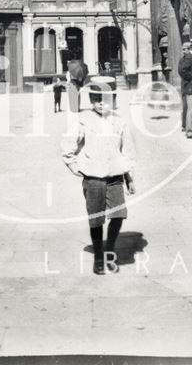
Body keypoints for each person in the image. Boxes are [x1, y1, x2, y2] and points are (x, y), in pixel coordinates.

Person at [61, 84, 136, 275]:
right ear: (91, 100)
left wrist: (129, 177)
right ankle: (98, 258)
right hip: (93, 178)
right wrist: (74, 166)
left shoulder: (120, 122)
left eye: (106, 99)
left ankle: (109, 250)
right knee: (96, 219)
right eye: (96, 99)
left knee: (119, 215)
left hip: (115, 176)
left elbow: (127, 152)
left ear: (114, 100)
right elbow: (69, 144)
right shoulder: (83, 120)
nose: (101, 103)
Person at [178, 42, 191, 131]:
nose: (183, 51)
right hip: (185, 84)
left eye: (184, 49)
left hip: (191, 84)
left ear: (189, 49)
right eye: (182, 49)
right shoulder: (182, 60)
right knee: (185, 105)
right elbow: (181, 71)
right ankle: (184, 125)